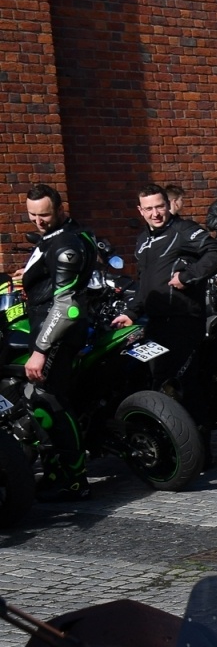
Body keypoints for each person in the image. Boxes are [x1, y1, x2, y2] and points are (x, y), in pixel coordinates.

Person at [112, 185, 217, 427]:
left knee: (184, 384)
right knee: (154, 381)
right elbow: (145, 284)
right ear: (140, 211)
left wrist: (188, 276)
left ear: (168, 205)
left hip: (184, 321)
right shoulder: (143, 240)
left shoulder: (184, 230)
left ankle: (201, 451)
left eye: (159, 206)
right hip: (155, 324)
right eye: (149, 209)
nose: (155, 213)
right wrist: (131, 313)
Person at [16, 184, 96, 498]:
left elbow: (67, 306)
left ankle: (73, 478)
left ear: (60, 208)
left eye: (44, 214)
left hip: (56, 330)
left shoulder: (65, 244)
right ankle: (58, 470)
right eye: (33, 215)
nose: (38, 221)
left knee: (48, 400)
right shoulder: (69, 234)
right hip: (50, 323)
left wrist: (40, 350)